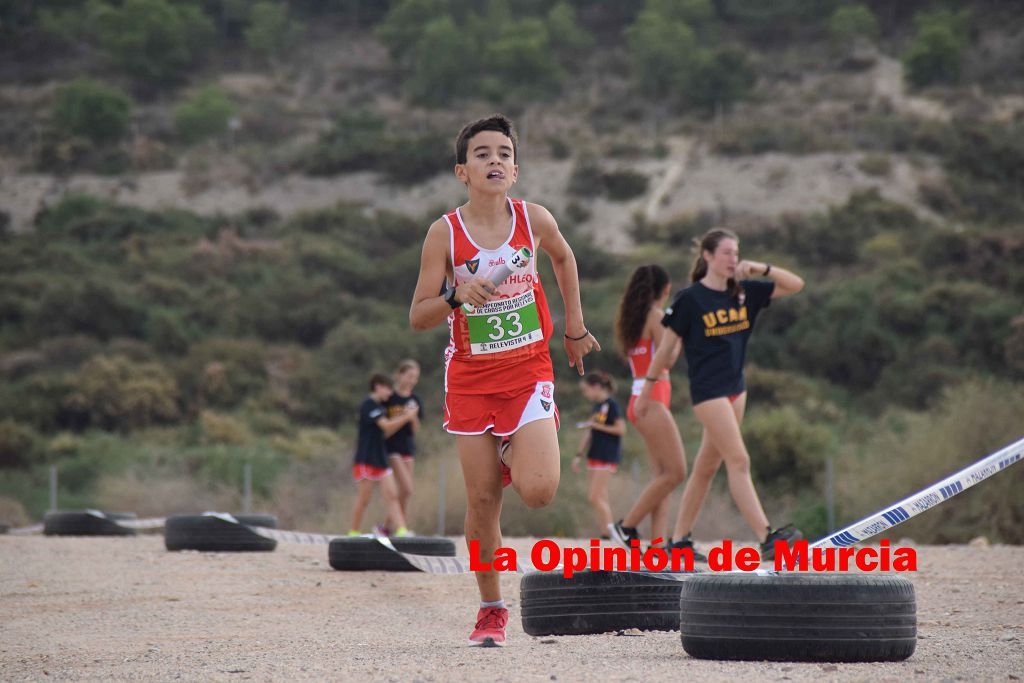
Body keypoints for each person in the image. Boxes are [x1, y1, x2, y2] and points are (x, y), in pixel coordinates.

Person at [409, 114, 599, 647]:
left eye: (503, 154)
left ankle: (518, 454)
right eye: (482, 154)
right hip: (470, 380)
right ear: (462, 171)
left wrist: (575, 328)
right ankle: (491, 608)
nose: (494, 160)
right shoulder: (444, 233)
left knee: (539, 492)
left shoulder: (533, 219)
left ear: (515, 170)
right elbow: (418, 316)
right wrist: (454, 297)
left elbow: (564, 259)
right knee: (483, 504)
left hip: (528, 370)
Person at [633, 228, 805, 562]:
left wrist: (761, 268)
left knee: (706, 467)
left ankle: (679, 540)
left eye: (736, 253)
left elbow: (796, 285)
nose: (733, 259)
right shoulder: (690, 299)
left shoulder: (744, 292)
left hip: (736, 390)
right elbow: (665, 349)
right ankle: (767, 537)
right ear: (708, 256)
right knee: (738, 460)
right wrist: (647, 392)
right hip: (708, 392)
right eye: (726, 253)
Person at [608, 265, 689, 553]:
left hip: (641, 397)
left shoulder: (634, 319)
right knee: (676, 472)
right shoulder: (657, 317)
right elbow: (667, 359)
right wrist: (678, 335)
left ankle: (656, 547)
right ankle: (626, 526)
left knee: (662, 477)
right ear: (665, 289)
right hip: (652, 398)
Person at [348, 373, 419, 538]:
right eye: (387, 389)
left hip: (380, 458)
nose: (389, 393)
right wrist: (406, 416)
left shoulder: (380, 407)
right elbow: (386, 426)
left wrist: (406, 418)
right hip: (366, 458)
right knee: (364, 498)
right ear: (378, 386)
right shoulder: (368, 405)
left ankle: (401, 530)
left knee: (392, 495)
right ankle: (353, 532)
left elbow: (386, 431)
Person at [572, 371, 625, 537]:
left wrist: (596, 426)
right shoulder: (597, 407)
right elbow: (590, 432)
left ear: (596, 387)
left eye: (586, 390)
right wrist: (579, 454)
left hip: (607, 455)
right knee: (601, 496)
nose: (585, 394)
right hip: (594, 454)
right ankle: (606, 532)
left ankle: (611, 533)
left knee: (594, 496)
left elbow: (621, 429)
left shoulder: (612, 405)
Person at [380, 359, 424, 535]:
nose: (412, 380)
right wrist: (404, 417)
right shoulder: (389, 398)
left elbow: (415, 429)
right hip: (391, 448)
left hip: (408, 448)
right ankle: (400, 527)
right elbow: (385, 428)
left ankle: (389, 527)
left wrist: (412, 417)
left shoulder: (415, 400)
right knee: (407, 488)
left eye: (415, 377)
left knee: (405, 492)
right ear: (399, 375)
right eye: (409, 376)